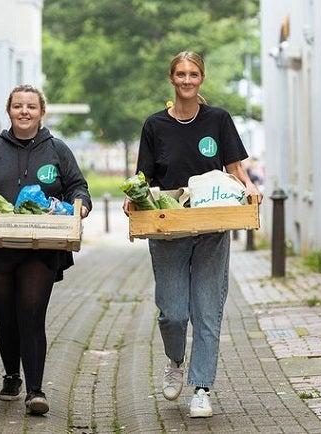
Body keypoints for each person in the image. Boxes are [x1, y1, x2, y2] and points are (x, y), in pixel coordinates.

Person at [123, 51, 263, 418]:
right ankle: (174, 359)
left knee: (207, 309)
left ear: (202, 78)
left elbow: (235, 169)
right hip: (169, 227)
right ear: (172, 78)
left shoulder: (217, 119)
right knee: (172, 312)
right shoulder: (154, 125)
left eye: (194, 74)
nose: (187, 80)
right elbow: (145, 178)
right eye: (181, 74)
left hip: (211, 225)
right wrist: (133, 199)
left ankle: (202, 387)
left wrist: (249, 189)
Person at [0, 84, 92, 415]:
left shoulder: (57, 149)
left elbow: (77, 186)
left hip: (40, 248)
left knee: (30, 313)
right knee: (6, 317)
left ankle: (36, 391)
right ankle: (12, 374)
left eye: (31, 106)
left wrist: (80, 204)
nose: (24, 111)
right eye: (17, 106)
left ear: (42, 112)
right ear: (9, 110)